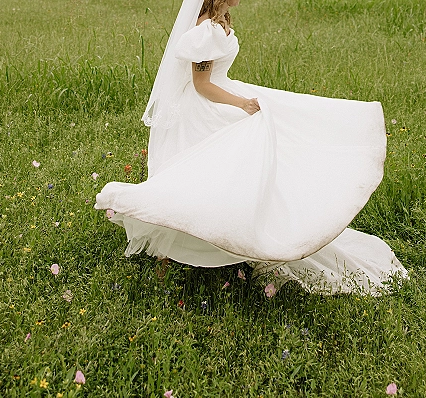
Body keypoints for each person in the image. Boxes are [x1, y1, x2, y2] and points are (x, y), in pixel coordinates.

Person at [95, 0, 408, 296]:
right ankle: (171, 251)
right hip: (203, 105)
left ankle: (246, 232)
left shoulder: (222, 20)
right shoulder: (205, 28)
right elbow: (202, 84)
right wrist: (242, 103)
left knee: (266, 138)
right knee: (203, 175)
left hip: (222, 91)